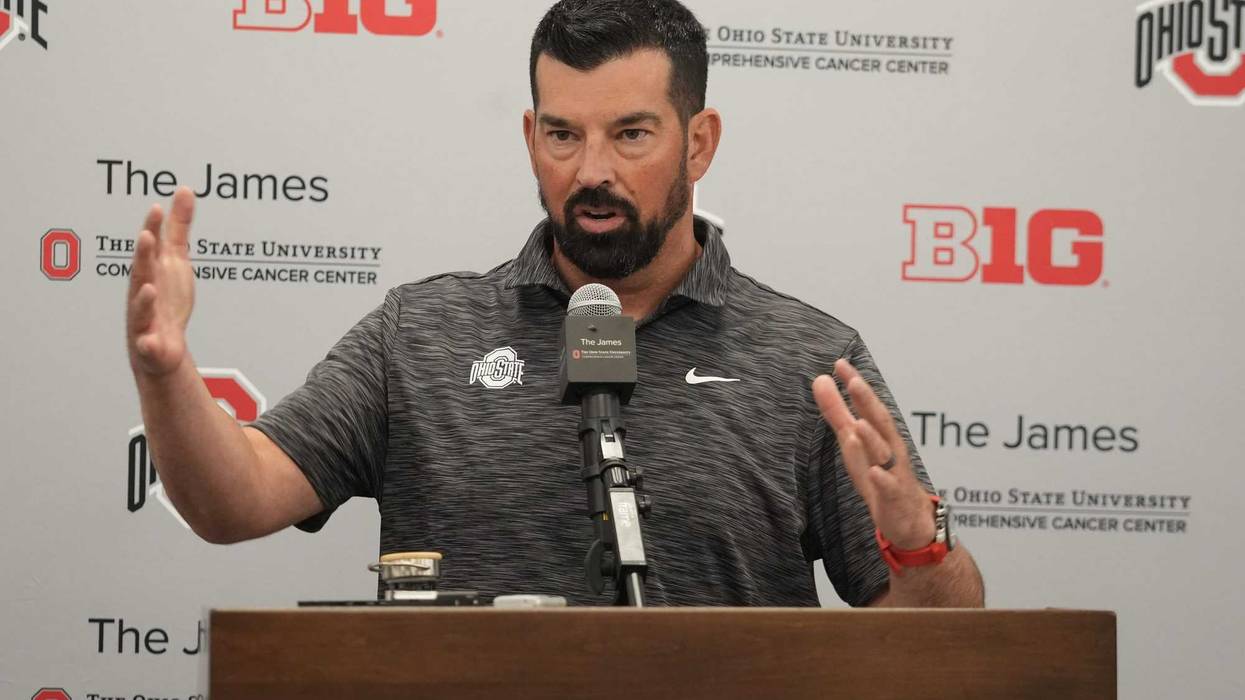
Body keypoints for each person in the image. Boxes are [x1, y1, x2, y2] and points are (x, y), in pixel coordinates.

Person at [125, 0, 983, 607]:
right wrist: (166, 375)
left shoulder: (808, 360)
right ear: (531, 137)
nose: (592, 173)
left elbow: (936, 640)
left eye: (631, 134)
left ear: (699, 141)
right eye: (563, 135)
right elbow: (231, 503)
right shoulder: (418, 336)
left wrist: (919, 547)